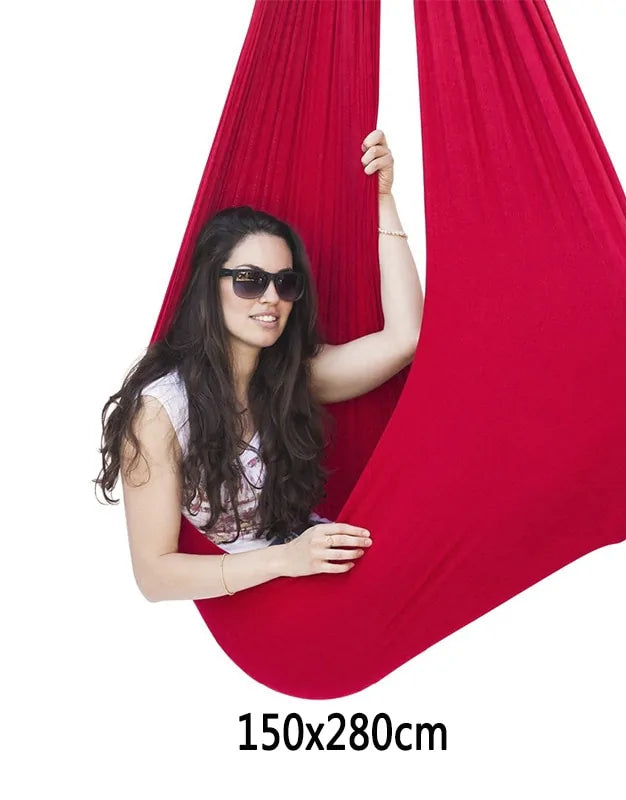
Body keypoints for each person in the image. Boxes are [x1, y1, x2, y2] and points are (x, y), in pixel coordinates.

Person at [96, 129, 423, 602]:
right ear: (210, 287)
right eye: (249, 280)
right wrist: (286, 561)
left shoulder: (289, 376)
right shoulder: (160, 411)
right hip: (258, 599)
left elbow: (405, 339)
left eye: (285, 283)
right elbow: (154, 577)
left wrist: (384, 200)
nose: (271, 298)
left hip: (314, 574)